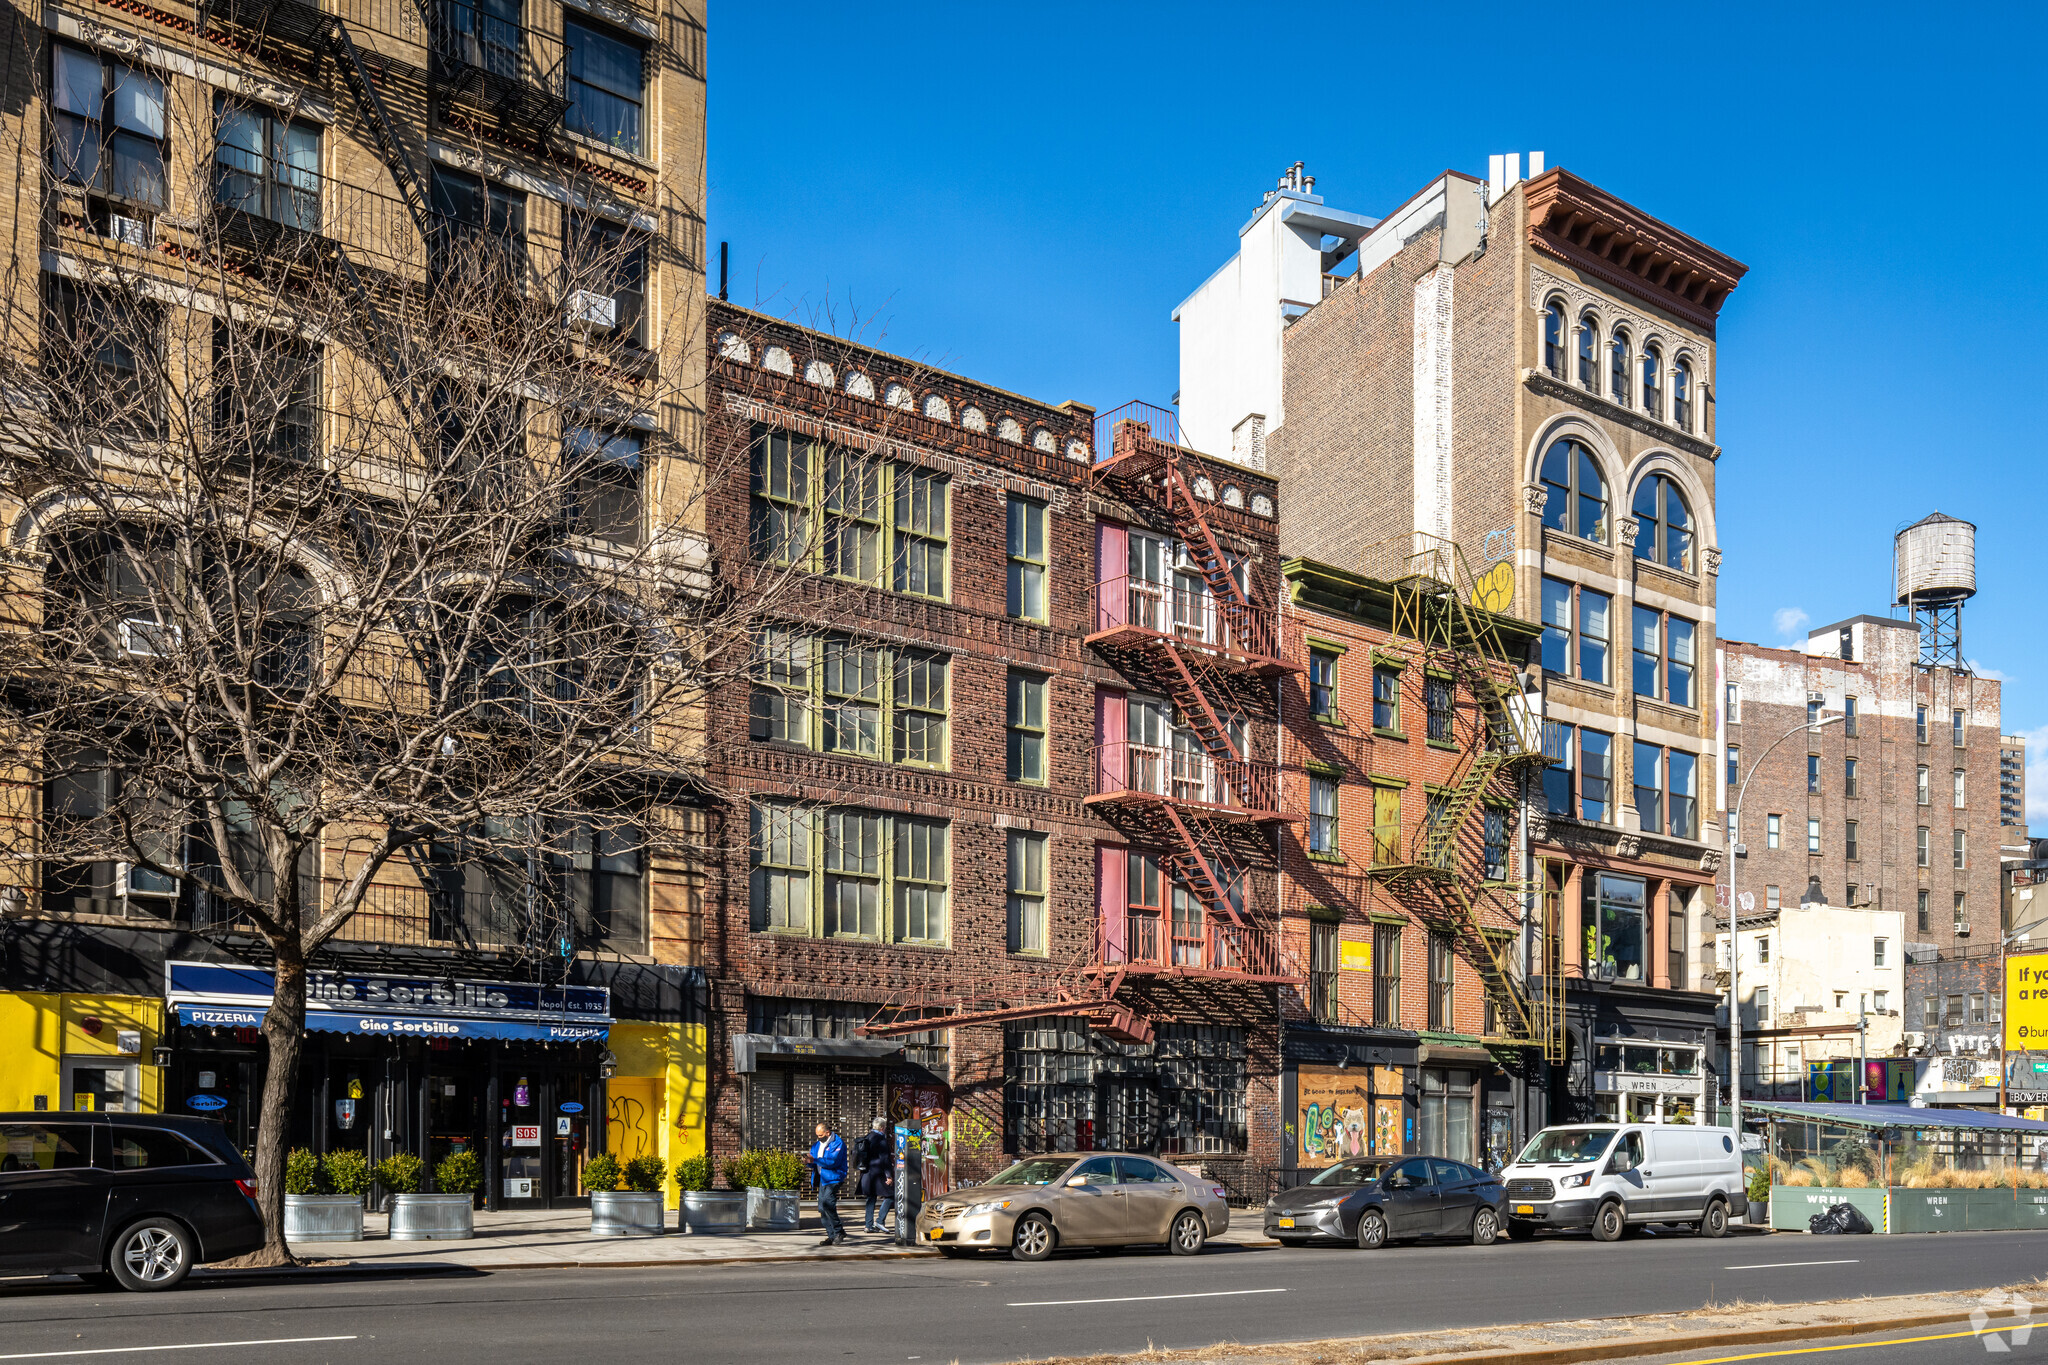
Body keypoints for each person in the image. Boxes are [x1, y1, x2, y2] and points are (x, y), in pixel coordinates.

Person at [807, 1122, 848, 1246]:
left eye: (820, 1135)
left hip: (833, 1178)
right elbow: (813, 1161)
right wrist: (808, 1161)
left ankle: (839, 1231)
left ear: (827, 1133)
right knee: (822, 1208)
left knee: (827, 1204)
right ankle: (832, 1235)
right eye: (817, 1135)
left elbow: (832, 1162)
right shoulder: (816, 1145)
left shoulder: (838, 1143)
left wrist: (815, 1160)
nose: (819, 1137)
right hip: (821, 1179)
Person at [853, 1117, 894, 1233]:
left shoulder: (868, 1137)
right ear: (882, 1127)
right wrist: (889, 1175)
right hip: (878, 1174)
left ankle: (868, 1225)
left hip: (866, 1174)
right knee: (891, 1196)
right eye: (885, 1127)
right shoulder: (881, 1139)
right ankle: (880, 1221)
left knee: (870, 1199)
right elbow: (884, 1159)